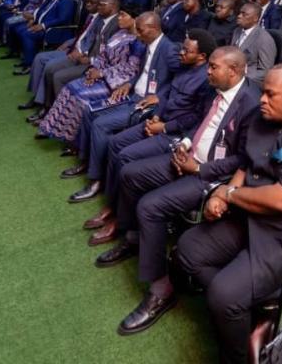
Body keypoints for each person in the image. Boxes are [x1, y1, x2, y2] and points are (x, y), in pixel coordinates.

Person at [176, 64, 282, 364]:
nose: (262, 100)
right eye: (263, 92)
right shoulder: (264, 116)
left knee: (225, 295)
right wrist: (226, 193)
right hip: (257, 214)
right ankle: (255, 311)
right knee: (188, 249)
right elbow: (247, 163)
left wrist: (228, 194)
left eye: (271, 94)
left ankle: (240, 348)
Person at [94, 47, 262, 335]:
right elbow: (200, 125)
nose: (207, 71)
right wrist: (184, 144)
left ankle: (161, 289)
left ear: (233, 71)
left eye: (213, 67)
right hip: (189, 157)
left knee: (150, 206)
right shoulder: (216, 89)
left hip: (212, 175)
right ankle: (134, 238)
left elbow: (245, 160)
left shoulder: (252, 104)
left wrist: (198, 169)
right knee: (129, 173)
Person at [77, 30, 217, 241]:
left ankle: (120, 220)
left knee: (125, 157)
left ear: (202, 57)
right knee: (115, 143)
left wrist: (164, 127)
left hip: (174, 134)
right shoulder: (184, 67)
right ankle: (111, 204)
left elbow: (197, 120)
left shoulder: (207, 81)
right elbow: (167, 96)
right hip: (159, 121)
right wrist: (156, 117)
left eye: (187, 50)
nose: (180, 52)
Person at [62, 12, 181, 181]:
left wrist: (160, 96)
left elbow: (180, 80)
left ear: (153, 28)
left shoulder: (169, 49)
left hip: (145, 104)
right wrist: (129, 83)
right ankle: (86, 160)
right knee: (89, 111)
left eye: (140, 30)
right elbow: (143, 74)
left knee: (100, 124)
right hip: (132, 94)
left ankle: (96, 178)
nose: (137, 34)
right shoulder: (148, 43)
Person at [36, 4, 142, 145]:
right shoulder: (120, 33)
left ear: (135, 19)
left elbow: (130, 69)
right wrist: (93, 70)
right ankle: (52, 127)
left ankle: (75, 138)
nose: (119, 18)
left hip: (117, 83)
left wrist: (102, 73)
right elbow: (103, 55)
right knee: (69, 88)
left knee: (80, 96)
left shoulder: (138, 41)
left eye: (123, 15)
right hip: (102, 75)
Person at [11, 0, 76, 74]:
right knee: (20, 30)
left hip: (55, 30)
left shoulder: (66, 1)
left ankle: (30, 65)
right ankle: (27, 60)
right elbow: (41, 11)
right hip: (43, 25)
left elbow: (63, 19)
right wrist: (34, 20)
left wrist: (43, 25)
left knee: (27, 34)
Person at [230, 3, 277, 85]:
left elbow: (265, 71)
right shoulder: (237, 31)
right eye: (240, 13)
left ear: (255, 19)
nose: (239, 16)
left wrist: (241, 77)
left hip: (247, 80)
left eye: (244, 14)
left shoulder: (264, 39)